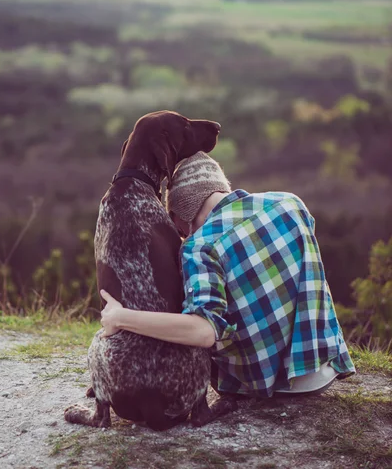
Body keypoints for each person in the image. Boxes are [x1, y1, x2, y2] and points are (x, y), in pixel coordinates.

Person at [100, 151, 355, 398]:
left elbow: (203, 332)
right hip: (323, 369)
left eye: (178, 227)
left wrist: (121, 317)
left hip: (274, 385)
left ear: (182, 214)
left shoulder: (200, 245)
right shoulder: (290, 203)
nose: (182, 235)